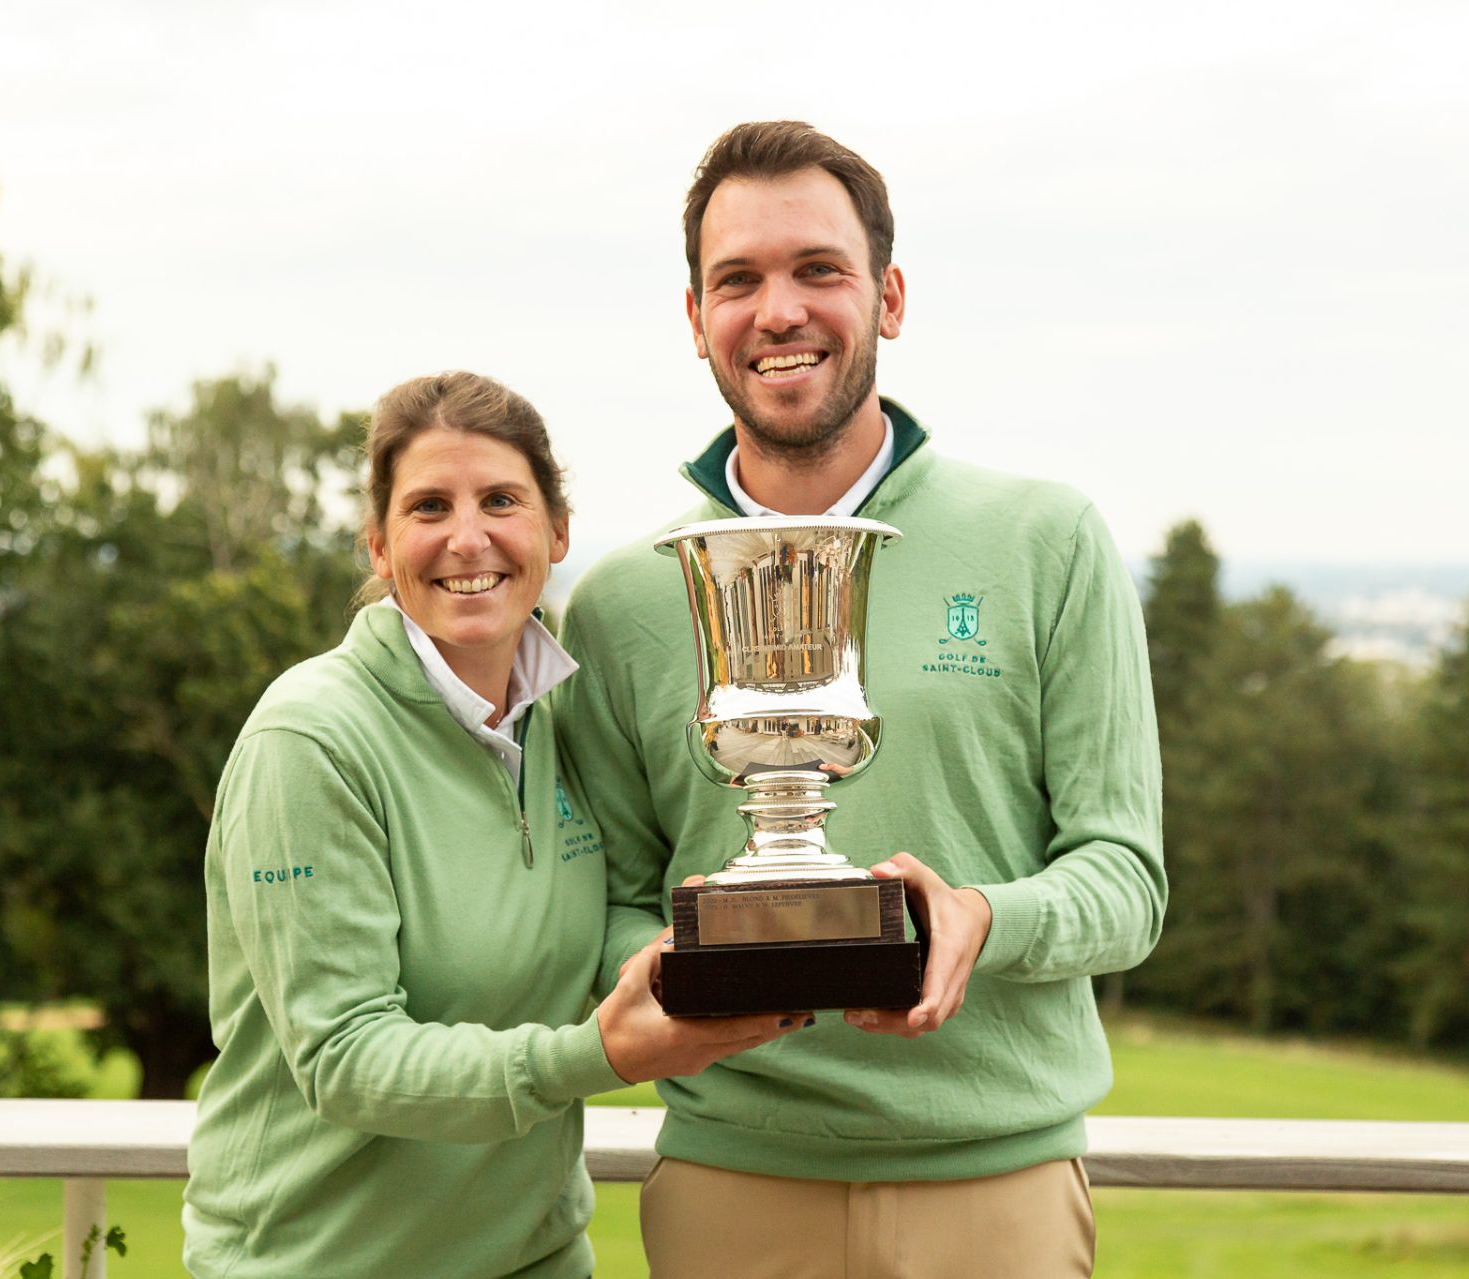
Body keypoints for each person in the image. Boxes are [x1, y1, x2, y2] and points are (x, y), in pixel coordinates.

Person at [556, 123, 1167, 1278]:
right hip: (733, 1183)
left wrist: (981, 919)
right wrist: (673, 968)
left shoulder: (1047, 541)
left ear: (887, 296)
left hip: (1000, 1190)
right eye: (737, 279)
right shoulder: (624, 602)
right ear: (696, 320)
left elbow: (1126, 881)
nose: (778, 310)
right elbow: (614, 903)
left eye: (817, 270)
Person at [182, 371, 811, 1279]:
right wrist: (593, 1054)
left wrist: (718, 955)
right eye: (428, 506)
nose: (466, 538)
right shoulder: (310, 739)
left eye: (501, 500)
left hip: (536, 1261)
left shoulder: (566, 720)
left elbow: (602, 930)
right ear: (381, 543)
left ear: (556, 531)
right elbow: (345, 1057)